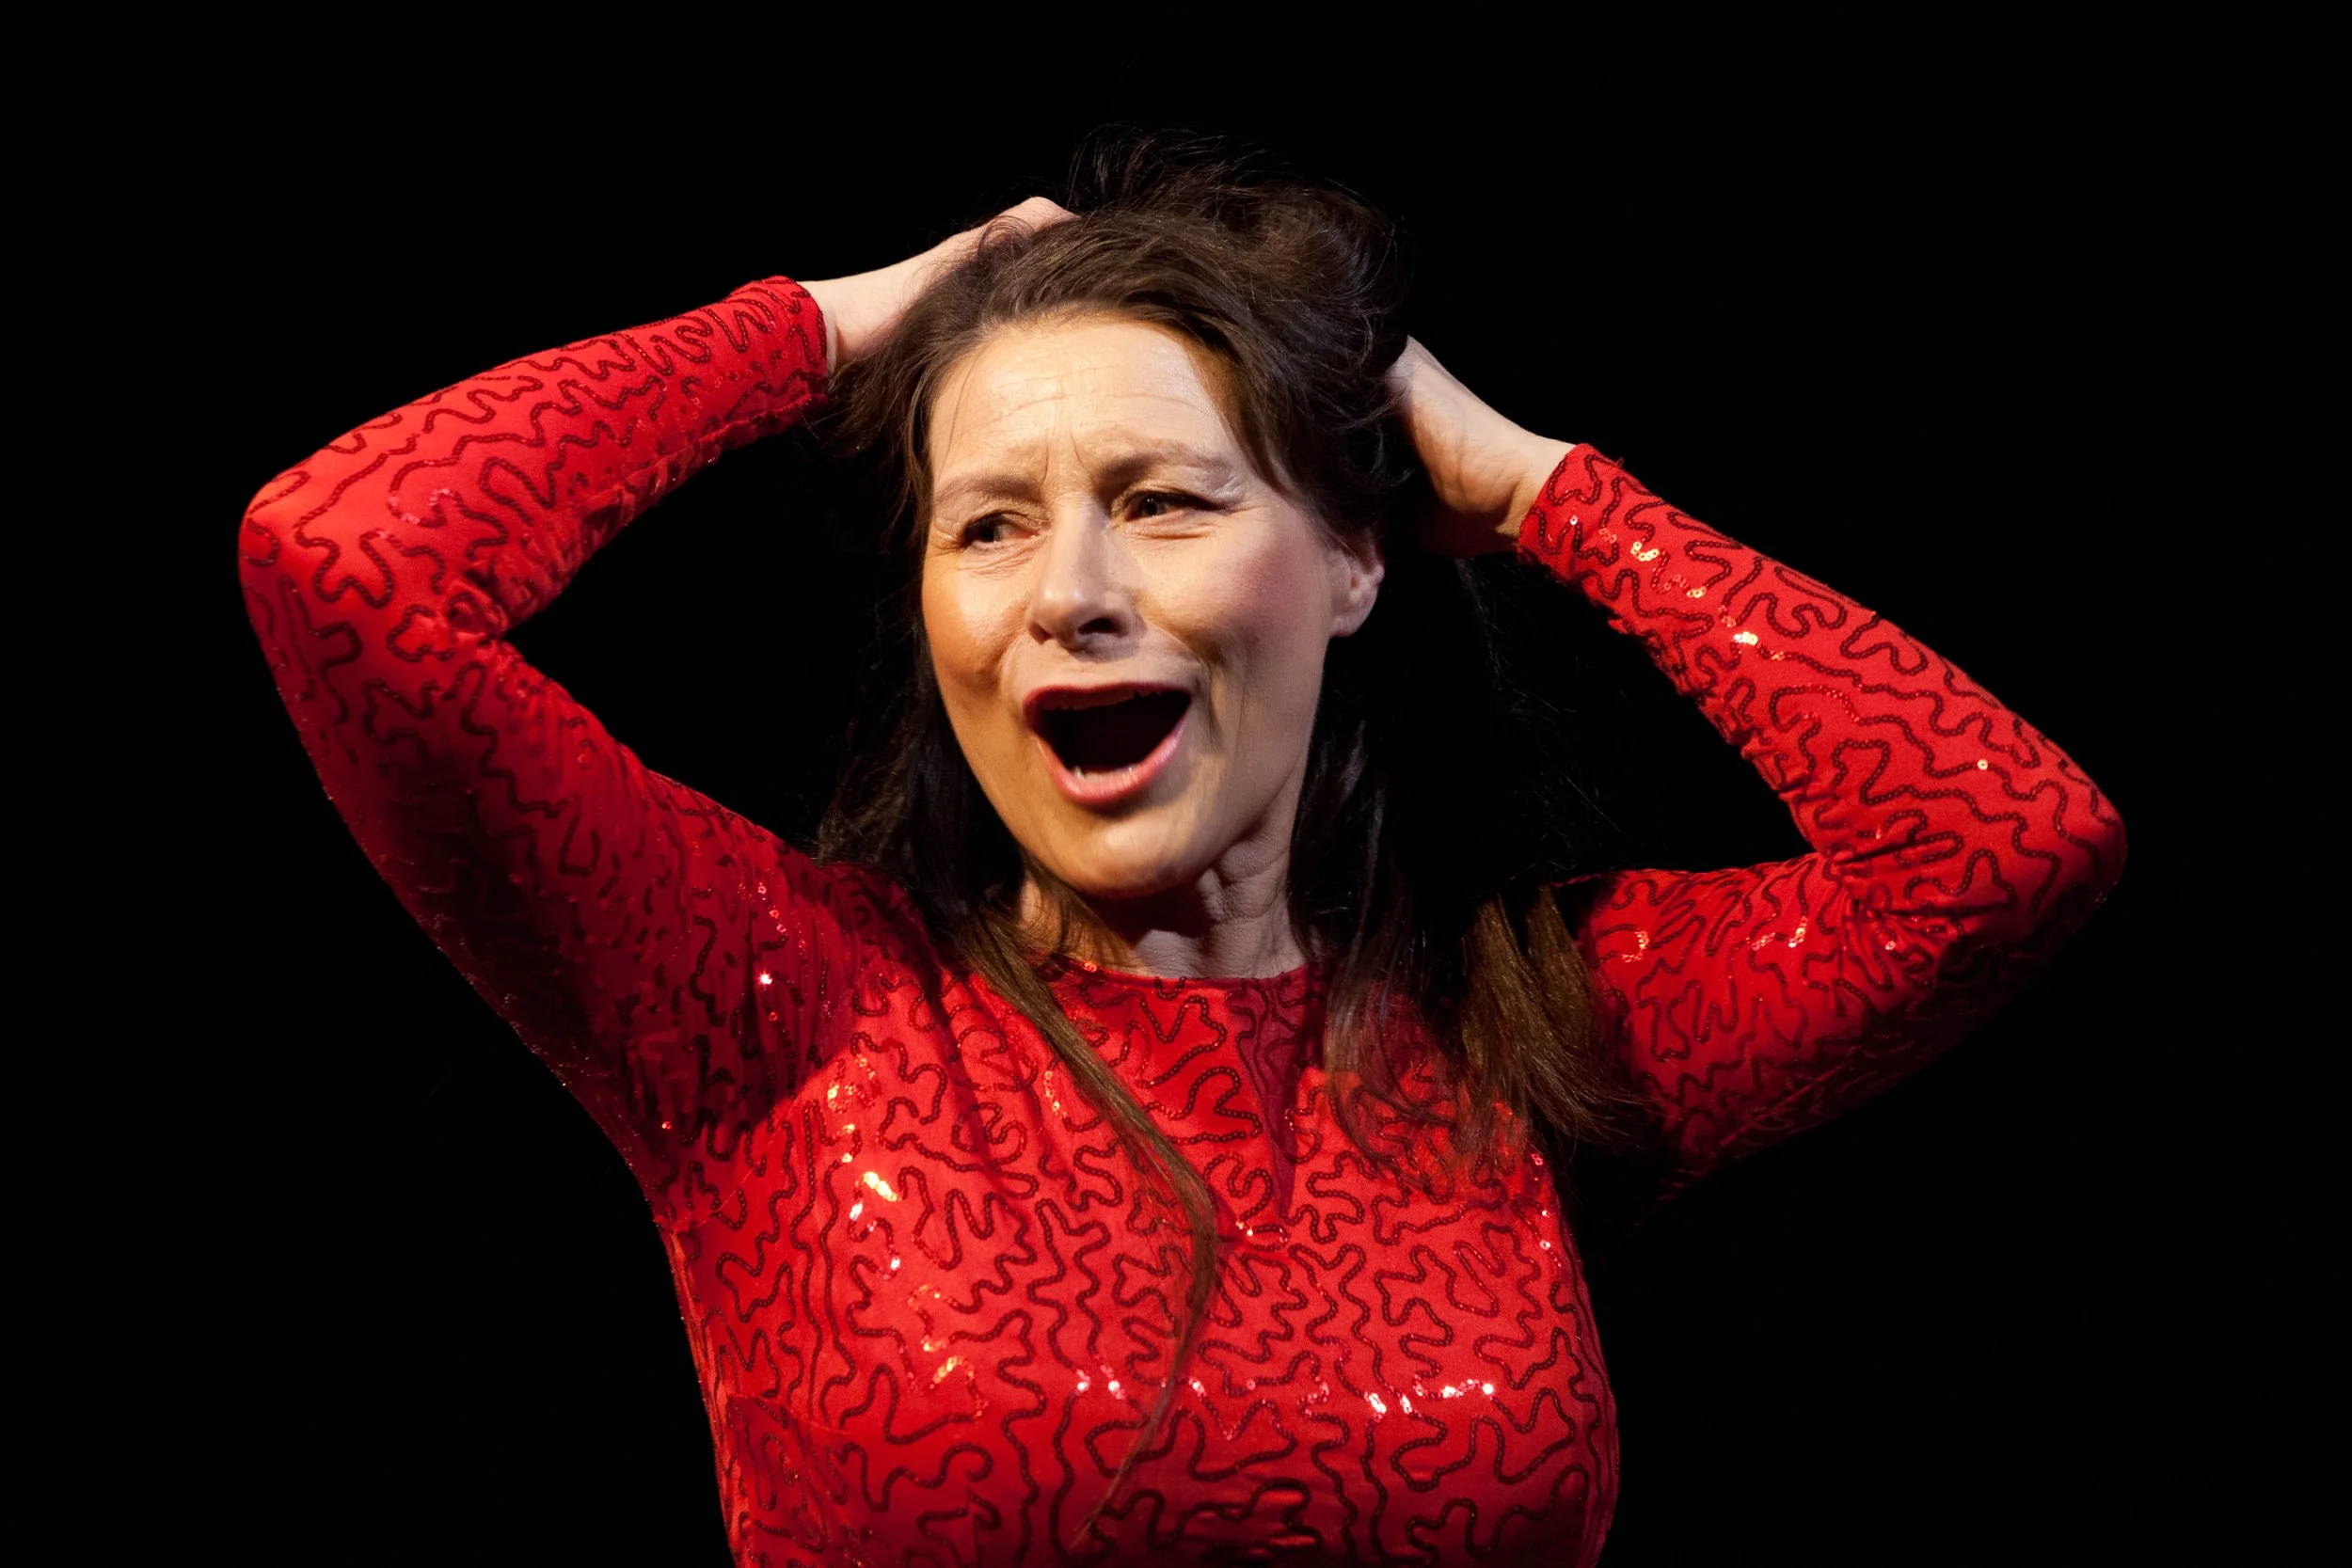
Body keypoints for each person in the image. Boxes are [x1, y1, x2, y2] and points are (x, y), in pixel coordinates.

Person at [239, 140, 2126, 1565]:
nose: (1066, 592)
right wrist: (834, 321)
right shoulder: (774, 1003)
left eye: (1158, 502)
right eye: (985, 526)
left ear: (1351, 560)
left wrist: (1554, 492)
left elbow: (2001, 844)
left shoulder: (1520, 1022)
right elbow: (348, 573)